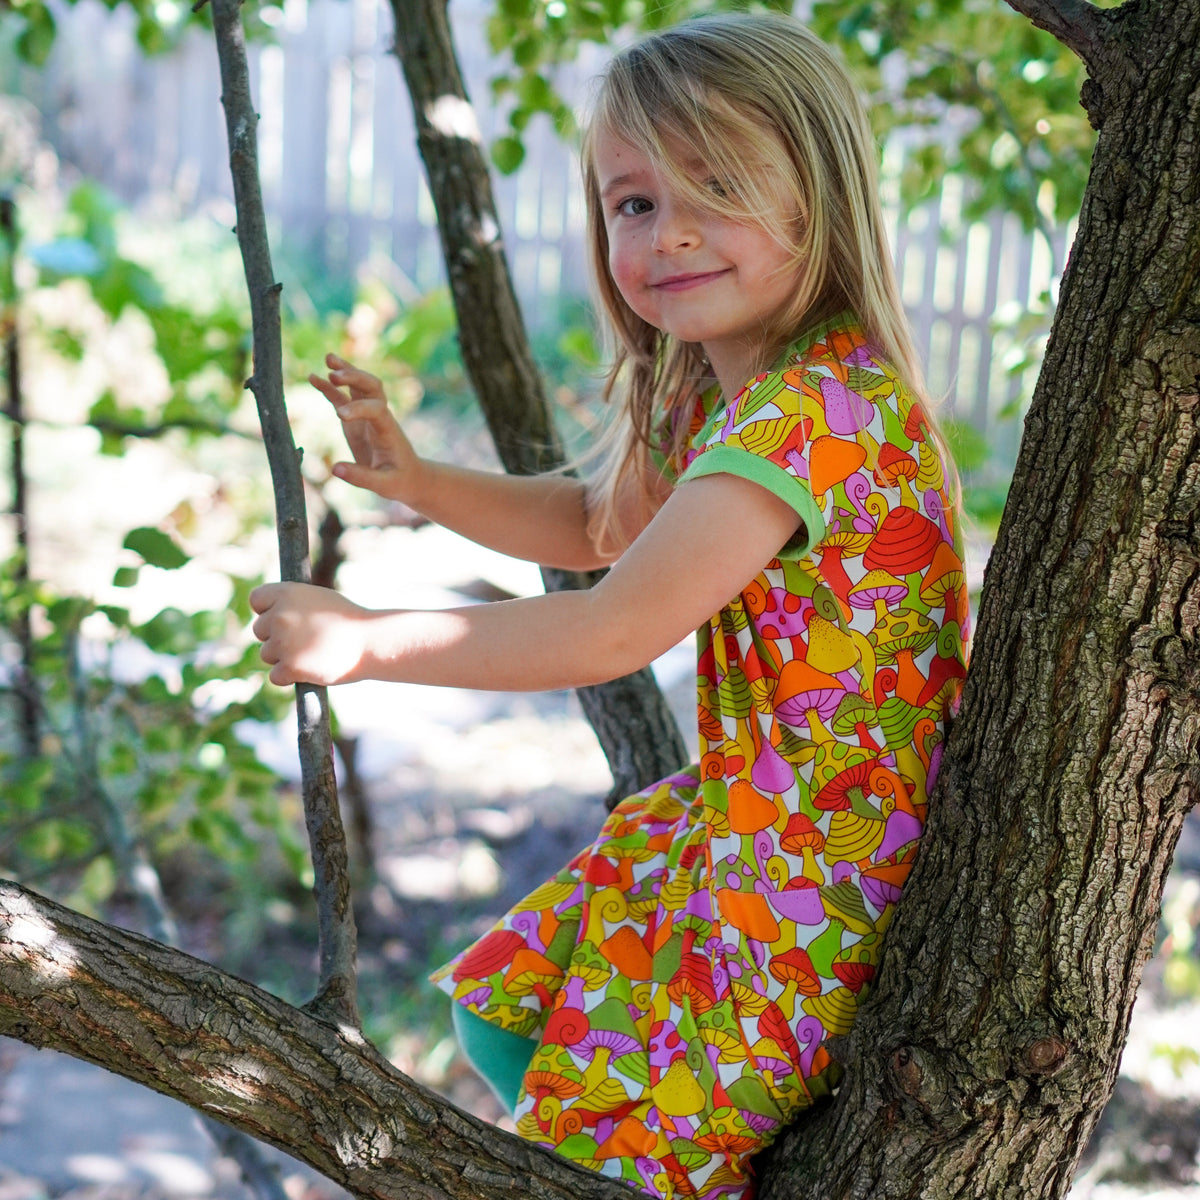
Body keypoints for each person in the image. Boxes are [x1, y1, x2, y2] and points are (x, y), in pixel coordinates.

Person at [250, 11, 970, 1199]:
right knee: (527, 994)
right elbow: (596, 527)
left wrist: (367, 644)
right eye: (634, 203)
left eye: (717, 187)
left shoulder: (820, 413)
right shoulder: (728, 395)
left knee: (620, 1143)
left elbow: (612, 626)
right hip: (756, 828)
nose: (668, 231)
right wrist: (419, 480)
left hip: (821, 888)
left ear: (820, 199)